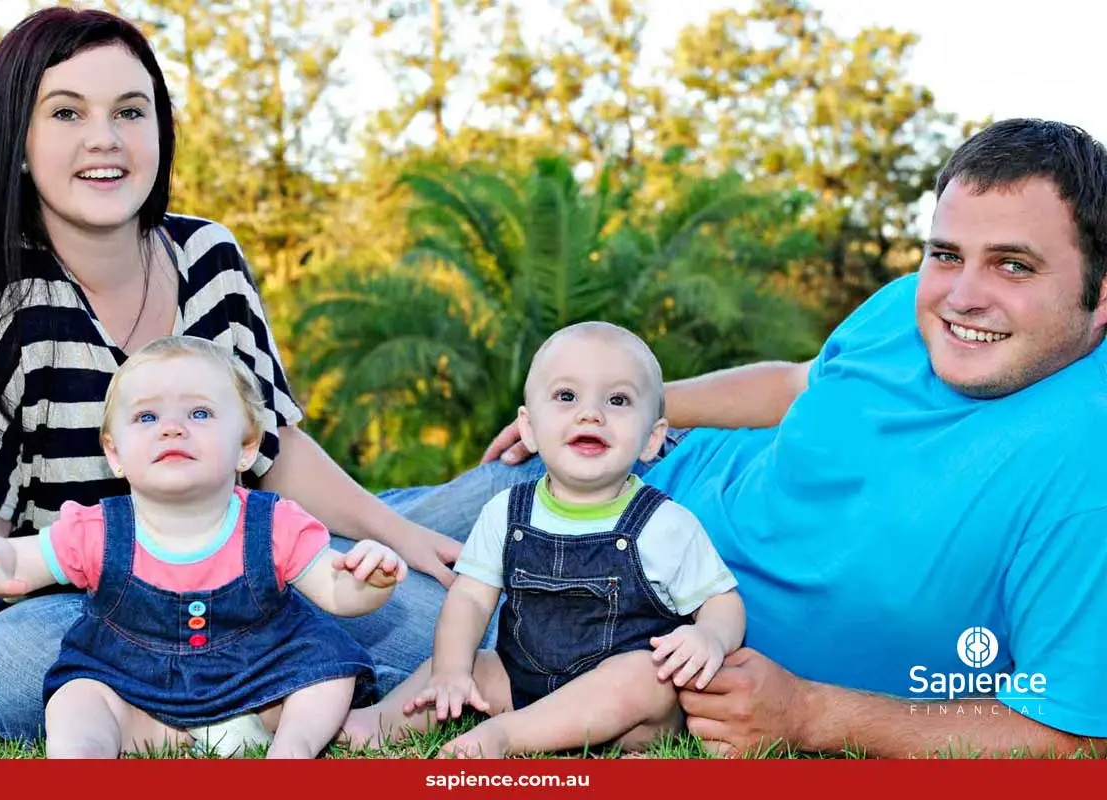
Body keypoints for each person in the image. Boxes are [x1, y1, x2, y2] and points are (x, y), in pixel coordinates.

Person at [380, 119, 1107, 758]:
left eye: (1014, 264)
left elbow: (1074, 737)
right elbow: (797, 383)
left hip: (631, 638)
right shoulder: (912, 305)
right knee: (352, 530)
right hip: (623, 480)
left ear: (1100, 293)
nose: (961, 294)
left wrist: (811, 715)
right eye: (946, 253)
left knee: (319, 594)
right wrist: (624, 411)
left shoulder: (1085, 471)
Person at [0, 6, 462, 742]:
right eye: (67, 112)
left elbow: (275, 450)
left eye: (130, 111)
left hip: (250, 572)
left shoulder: (209, 260)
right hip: (92, 607)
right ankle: (305, 706)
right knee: (9, 668)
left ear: (160, 132)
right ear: (18, 140)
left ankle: (463, 632)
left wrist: (397, 534)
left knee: (460, 541)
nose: (104, 138)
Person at [0, 337, 406, 758]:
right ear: (114, 453)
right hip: (137, 691)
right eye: (147, 416)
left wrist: (368, 581)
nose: (172, 428)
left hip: (262, 685)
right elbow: (27, 557)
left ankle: (292, 748)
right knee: (78, 696)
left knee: (326, 669)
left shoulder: (273, 523)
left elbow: (336, 593)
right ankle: (84, 755)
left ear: (246, 445)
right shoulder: (100, 529)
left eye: (199, 413)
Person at [344, 323, 745, 757]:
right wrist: (452, 670)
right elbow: (472, 600)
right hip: (522, 682)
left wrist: (710, 636)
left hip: (624, 716)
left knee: (647, 676)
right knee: (462, 667)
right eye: (567, 397)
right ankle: (373, 722)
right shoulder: (505, 511)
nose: (591, 414)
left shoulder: (665, 524)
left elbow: (722, 601)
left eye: (618, 400)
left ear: (651, 438)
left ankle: (507, 736)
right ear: (529, 428)